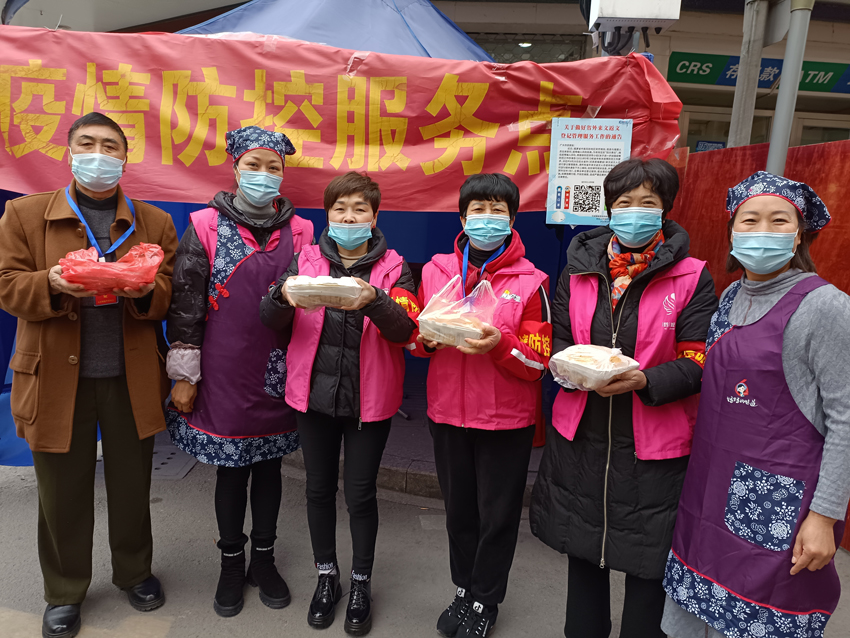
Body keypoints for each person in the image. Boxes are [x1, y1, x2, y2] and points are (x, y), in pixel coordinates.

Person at [0, 112, 177, 638]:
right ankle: (64, 591)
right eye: (87, 144)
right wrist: (51, 283)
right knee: (61, 492)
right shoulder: (25, 214)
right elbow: (7, 285)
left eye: (110, 146)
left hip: (129, 374)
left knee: (132, 485)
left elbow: (170, 293)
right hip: (55, 377)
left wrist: (146, 290)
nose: (98, 155)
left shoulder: (153, 221)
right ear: (70, 153)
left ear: (124, 157)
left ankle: (135, 572)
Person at [529, 158, 718, 638]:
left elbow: (699, 360)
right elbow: (560, 341)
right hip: (582, 440)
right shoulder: (577, 269)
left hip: (654, 447)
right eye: (624, 201)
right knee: (583, 562)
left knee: (649, 572)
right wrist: (571, 370)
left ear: (665, 209)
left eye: (647, 202)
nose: (635, 211)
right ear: (610, 208)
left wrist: (644, 381)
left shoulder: (692, 276)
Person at [661, 172, 850, 638]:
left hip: (778, 504)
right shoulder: (730, 296)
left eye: (779, 220)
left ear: (800, 234)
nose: (763, 230)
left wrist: (825, 516)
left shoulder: (825, 307)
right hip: (709, 491)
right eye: (750, 220)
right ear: (732, 232)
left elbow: (846, 420)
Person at [259, 171, 418, 636]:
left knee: (361, 494)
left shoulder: (396, 267)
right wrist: (282, 295)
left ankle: (361, 582)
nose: (349, 218)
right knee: (317, 490)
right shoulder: (305, 259)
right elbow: (269, 319)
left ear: (374, 216)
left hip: (370, 401)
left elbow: (406, 331)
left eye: (359, 209)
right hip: (313, 398)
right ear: (327, 214)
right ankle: (326, 576)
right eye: (340, 209)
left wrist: (374, 300)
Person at [164, 126, 313, 618]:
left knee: (270, 467)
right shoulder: (204, 224)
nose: (263, 175)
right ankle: (231, 563)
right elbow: (186, 302)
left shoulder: (302, 231)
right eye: (254, 165)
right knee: (231, 470)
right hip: (222, 368)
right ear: (235, 168)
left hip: (278, 367)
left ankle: (263, 560)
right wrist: (184, 374)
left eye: (273, 167)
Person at [415, 173, 552, 638]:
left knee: (497, 516)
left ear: (512, 220)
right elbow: (417, 338)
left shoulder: (532, 281)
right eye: (478, 210)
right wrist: (428, 340)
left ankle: (485, 599)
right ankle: (463, 588)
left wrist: (499, 344)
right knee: (459, 512)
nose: (487, 219)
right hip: (447, 413)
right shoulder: (436, 270)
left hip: (505, 419)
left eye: (498, 211)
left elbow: (537, 363)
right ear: (462, 218)